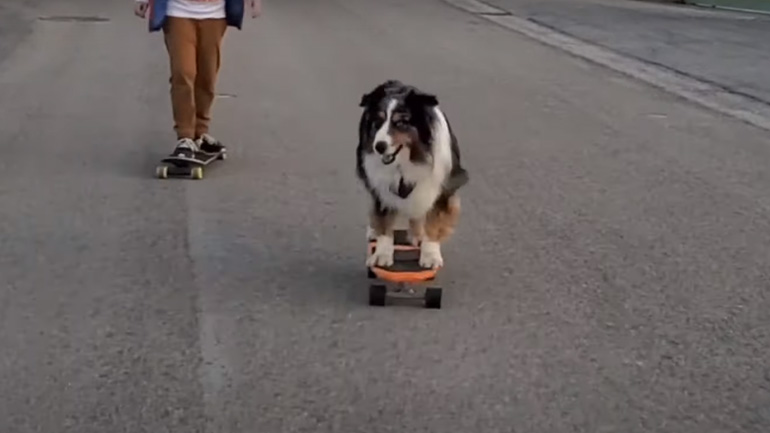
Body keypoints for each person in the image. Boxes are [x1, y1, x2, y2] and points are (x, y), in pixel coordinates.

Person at [134, 0, 262, 158]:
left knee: (207, 75)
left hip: (215, 15)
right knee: (183, 72)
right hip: (178, 12)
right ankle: (185, 135)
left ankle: (200, 132)